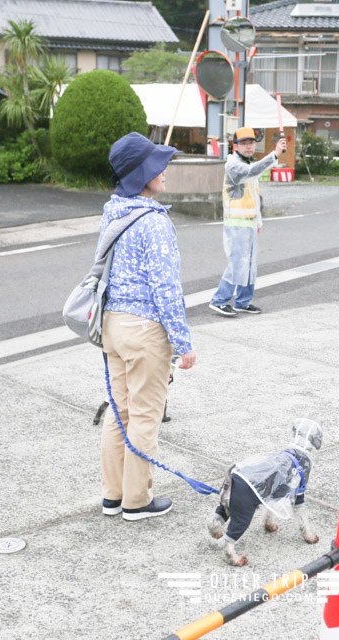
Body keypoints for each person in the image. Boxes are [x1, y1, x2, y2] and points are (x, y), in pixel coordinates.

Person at [98, 132, 196, 521]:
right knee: (144, 415)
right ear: (144, 175)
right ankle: (137, 501)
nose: (165, 171)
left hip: (113, 327)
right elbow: (165, 288)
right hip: (144, 330)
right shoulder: (154, 223)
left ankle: (113, 495)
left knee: (118, 412)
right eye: (158, 167)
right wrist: (182, 341)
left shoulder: (113, 212)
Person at [208, 127, 287, 317]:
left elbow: (254, 195)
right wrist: (275, 154)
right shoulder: (234, 165)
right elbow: (252, 171)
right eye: (244, 143)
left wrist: (257, 221)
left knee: (249, 264)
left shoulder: (246, 163)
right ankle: (219, 300)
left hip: (248, 222)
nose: (249, 146)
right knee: (237, 263)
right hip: (236, 223)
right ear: (235, 146)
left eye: (251, 143)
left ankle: (243, 301)